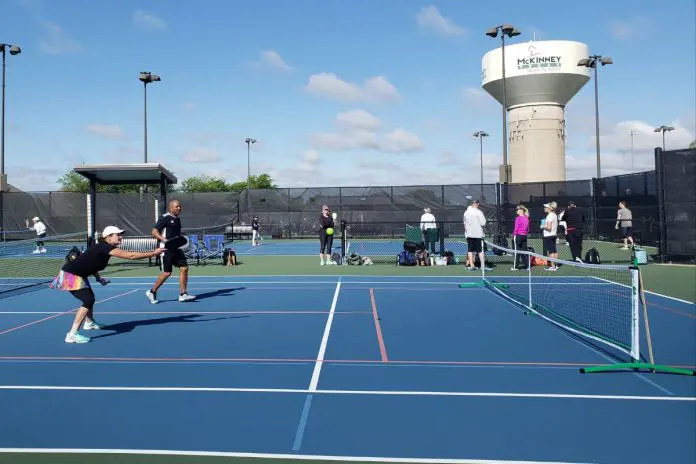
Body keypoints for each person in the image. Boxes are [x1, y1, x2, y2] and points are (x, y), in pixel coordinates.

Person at [51, 226, 164, 343]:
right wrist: (153, 253)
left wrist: (99, 278)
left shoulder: (103, 248)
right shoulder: (105, 247)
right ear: (109, 237)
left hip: (80, 274)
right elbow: (131, 256)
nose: (121, 237)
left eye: (121, 235)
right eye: (118, 235)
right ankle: (72, 334)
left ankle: (89, 323)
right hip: (70, 275)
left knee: (90, 299)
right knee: (89, 300)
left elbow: (90, 263)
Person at [146, 200, 196, 304]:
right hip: (166, 249)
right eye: (177, 207)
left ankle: (183, 294)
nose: (179, 208)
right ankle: (152, 291)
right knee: (167, 273)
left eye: (180, 206)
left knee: (184, 268)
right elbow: (154, 231)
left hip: (176, 248)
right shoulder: (165, 217)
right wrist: (164, 240)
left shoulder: (177, 219)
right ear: (171, 208)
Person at [463, 200, 490, 271]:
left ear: (472, 204)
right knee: (480, 250)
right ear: (478, 204)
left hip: (469, 234)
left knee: (470, 250)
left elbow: (465, 224)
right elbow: (483, 223)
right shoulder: (479, 212)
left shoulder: (466, 213)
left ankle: (472, 265)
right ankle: (482, 266)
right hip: (478, 234)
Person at [540, 203, 559, 271]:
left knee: (551, 251)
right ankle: (555, 265)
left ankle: (553, 266)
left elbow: (549, 228)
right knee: (554, 250)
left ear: (549, 208)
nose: (544, 208)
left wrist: (542, 226)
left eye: (545, 207)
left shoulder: (550, 216)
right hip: (553, 235)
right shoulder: (554, 215)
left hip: (549, 235)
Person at [511, 205, 529, 270]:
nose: (516, 211)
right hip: (524, 236)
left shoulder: (518, 218)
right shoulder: (526, 218)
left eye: (517, 209)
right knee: (524, 251)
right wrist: (525, 233)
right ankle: (527, 266)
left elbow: (516, 228)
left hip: (518, 236)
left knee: (516, 251)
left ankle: (515, 266)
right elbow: (527, 229)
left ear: (521, 210)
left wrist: (514, 235)